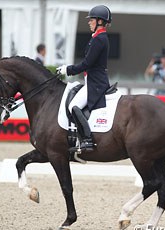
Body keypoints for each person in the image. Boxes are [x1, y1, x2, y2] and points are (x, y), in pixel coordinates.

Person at [56, 5, 112, 153]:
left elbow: (87, 64)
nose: (89, 22)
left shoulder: (99, 39)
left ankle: (87, 140)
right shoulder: (97, 37)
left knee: (73, 106)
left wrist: (67, 69)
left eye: (92, 20)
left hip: (96, 83)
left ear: (100, 21)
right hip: (92, 81)